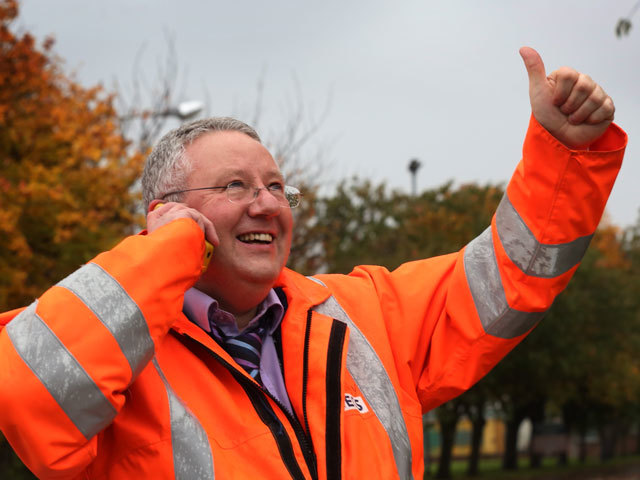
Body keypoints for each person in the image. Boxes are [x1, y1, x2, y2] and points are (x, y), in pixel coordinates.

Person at [0, 47, 626, 479]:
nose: (267, 204)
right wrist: (170, 249)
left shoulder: (364, 315)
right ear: (166, 214)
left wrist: (563, 155)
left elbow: (509, 278)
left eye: (277, 187)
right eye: (236, 187)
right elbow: (32, 398)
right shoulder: (114, 350)